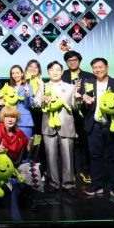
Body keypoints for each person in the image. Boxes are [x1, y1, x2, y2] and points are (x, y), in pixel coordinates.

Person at [80, 58, 114, 202]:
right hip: (94, 126)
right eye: (95, 68)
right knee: (95, 156)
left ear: (107, 68)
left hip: (112, 126)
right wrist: (82, 101)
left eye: (100, 67)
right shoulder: (88, 84)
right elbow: (81, 108)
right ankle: (97, 185)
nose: (98, 70)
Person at [32, 61, 77, 195]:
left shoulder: (71, 87)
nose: (55, 72)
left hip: (66, 125)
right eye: (52, 69)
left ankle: (68, 184)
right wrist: (42, 101)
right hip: (48, 125)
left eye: (58, 69)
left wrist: (79, 100)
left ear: (62, 72)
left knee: (68, 156)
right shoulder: (43, 86)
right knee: (50, 156)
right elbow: (35, 102)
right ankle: (53, 183)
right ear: (48, 72)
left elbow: (75, 106)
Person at [62, 50, 95, 187]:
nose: (72, 62)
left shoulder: (89, 76)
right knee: (69, 146)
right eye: (69, 60)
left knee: (85, 144)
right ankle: (73, 172)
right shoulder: (62, 75)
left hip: (84, 116)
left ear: (79, 61)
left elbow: (92, 95)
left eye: (74, 60)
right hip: (67, 115)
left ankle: (86, 171)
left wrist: (81, 94)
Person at [0, 65, 34, 142]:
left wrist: (27, 95)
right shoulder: (9, 88)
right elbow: (7, 105)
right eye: (13, 73)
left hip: (24, 121)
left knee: (25, 145)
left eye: (17, 73)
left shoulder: (28, 87)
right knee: (12, 146)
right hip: (10, 120)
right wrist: (1, 103)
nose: (15, 75)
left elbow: (29, 105)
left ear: (22, 74)